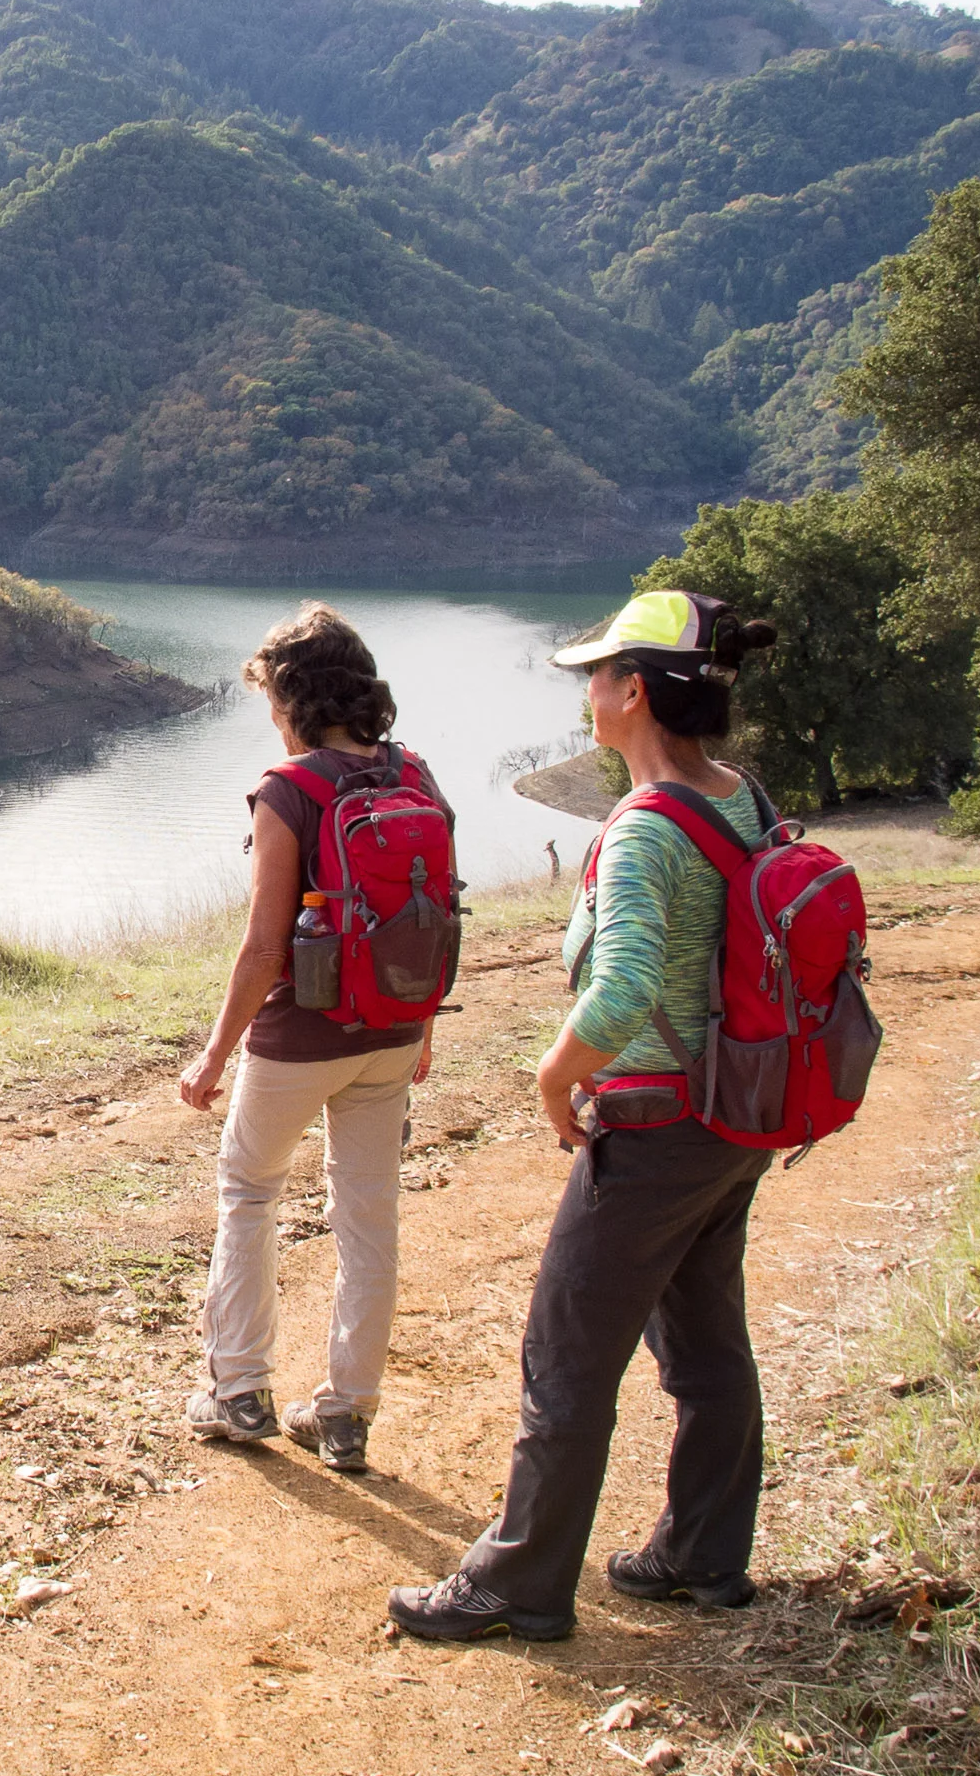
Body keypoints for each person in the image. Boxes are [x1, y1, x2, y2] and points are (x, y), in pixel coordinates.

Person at [389, 590, 781, 1643]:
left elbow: (624, 991)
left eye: (598, 675)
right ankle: (700, 1554)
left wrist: (552, 1076)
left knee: (566, 1353)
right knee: (705, 1337)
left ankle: (517, 1583)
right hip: (735, 1115)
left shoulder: (648, 828)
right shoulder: (740, 797)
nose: (587, 691)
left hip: (655, 1126)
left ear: (636, 692)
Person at [176, 603, 437, 1473]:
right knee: (367, 1217)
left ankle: (238, 1391)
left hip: (298, 1038)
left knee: (250, 1192)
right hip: (392, 1029)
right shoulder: (417, 777)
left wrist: (215, 1053)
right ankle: (347, 1413)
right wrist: (422, 1025)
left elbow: (263, 945)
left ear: (291, 697)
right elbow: (432, 919)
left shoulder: (289, 789)